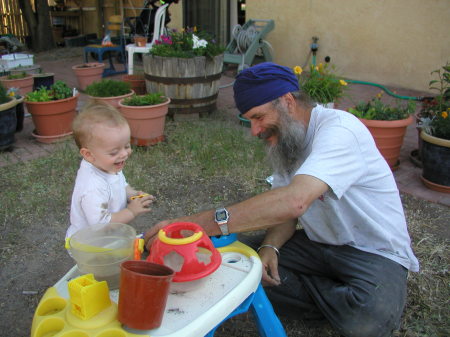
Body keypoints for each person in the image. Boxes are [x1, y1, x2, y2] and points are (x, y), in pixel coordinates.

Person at [144, 62, 419, 337]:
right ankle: (330, 294)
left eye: (258, 117)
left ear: (287, 102)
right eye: (250, 120)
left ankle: (325, 293)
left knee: (367, 318)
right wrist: (271, 247)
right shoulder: (290, 139)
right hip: (318, 245)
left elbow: (294, 201)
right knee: (230, 261)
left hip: (373, 252)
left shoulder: (341, 131)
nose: (255, 130)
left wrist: (194, 225)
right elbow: (286, 213)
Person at [66, 102, 155, 239]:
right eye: (114, 152)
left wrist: (134, 195)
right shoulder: (92, 187)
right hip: (91, 245)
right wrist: (131, 211)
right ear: (89, 155)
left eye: (126, 146)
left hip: (108, 237)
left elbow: (121, 185)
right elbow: (100, 224)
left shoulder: (108, 165)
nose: (124, 154)